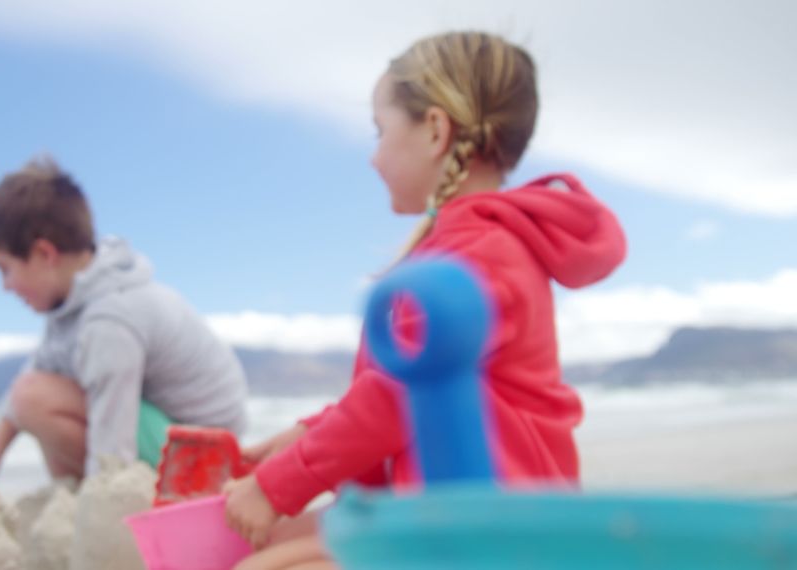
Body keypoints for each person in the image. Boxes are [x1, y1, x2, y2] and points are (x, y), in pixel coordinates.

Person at [224, 31, 627, 570]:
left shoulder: (479, 253)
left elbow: (397, 397)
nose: (373, 157)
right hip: (459, 513)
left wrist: (278, 486)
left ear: (435, 129)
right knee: (270, 550)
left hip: (498, 532)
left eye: (380, 129)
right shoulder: (471, 246)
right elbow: (400, 386)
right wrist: (305, 434)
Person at [0, 157, 248, 482]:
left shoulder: (111, 317)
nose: (5, 287)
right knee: (34, 391)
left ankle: (96, 497)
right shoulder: (73, 302)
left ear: (45, 254)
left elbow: (113, 439)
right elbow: (33, 374)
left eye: (6, 269)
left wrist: (108, 493)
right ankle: (76, 492)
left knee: (35, 399)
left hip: (207, 457)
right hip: (175, 435)